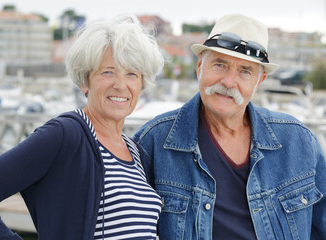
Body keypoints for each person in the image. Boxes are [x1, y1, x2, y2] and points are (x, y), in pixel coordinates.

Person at [0, 15, 164, 240]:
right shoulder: (66, 134)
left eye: (132, 74)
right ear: (85, 81)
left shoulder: (135, 151)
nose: (120, 85)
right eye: (108, 71)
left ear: (141, 84)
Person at [133, 13, 326, 239]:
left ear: (259, 81)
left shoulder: (299, 142)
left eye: (245, 71)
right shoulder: (153, 143)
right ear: (199, 68)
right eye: (220, 64)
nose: (228, 81)